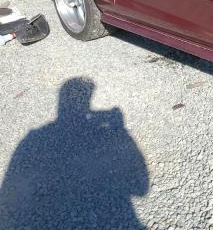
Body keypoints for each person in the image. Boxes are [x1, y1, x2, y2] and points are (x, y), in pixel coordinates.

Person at [0, 77, 149, 229]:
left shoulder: (34, 137)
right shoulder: (35, 137)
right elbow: (141, 188)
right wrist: (119, 128)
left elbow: (141, 188)